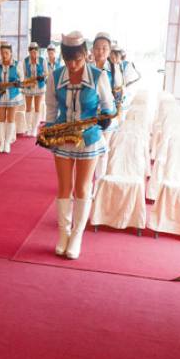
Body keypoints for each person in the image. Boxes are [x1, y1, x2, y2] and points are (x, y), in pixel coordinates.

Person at [44, 31, 116, 259]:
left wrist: (106, 116)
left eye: (77, 60)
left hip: (89, 138)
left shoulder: (98, 76)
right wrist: (49, 129)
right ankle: (63, 234)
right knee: (64, 187)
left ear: (86, 55)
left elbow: (108, 105)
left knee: (83, 188)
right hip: (63, 136)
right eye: (68, 60)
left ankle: (77, 236)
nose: (73, 65)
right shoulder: (55, 76)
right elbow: (51, 107)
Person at [91, 32, 118, 184]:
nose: (100, 51)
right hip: (90, 115)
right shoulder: (87, 69)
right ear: (92, 50)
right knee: (90, 150)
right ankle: (87, 183)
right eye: (97, 48)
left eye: (104, 48)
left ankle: (99, 183)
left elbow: (120, 93)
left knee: (102, 150)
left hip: (107, 116)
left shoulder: (114, 70)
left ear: (109, 51)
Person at [0, 41, 23, 153]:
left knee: (10, 119)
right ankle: (1, 142)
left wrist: (18, 85)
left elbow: (22, 79)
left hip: (13, 95)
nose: (4, 55)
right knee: (1, 119)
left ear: (11, 53)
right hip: (0, 94)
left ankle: (7, 143)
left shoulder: (17, 64)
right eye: (2, 53)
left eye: (6, 53)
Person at [21, 41, 46, 137]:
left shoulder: (42, 60)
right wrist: (28, 81)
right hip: (28, 86)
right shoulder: (25, 61)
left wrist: (41, 77)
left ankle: (35, 128)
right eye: (31, 52)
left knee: (37, 108)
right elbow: (24, 74)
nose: (33, 53)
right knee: (27, 108)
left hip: (39, 86)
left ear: (38, 51)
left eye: (35, 51)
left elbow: (46, 73)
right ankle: (28, 128)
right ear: (29, 52)